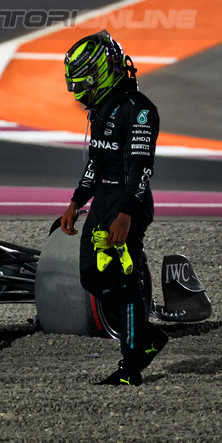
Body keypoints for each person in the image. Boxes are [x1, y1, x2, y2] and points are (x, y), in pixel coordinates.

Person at [59, 30, 167, 386]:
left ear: (100, 73)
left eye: (82, 84)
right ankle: (148, 339)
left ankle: (130, 366)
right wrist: (77, 201)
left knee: (124, 279)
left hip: (126, 202)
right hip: (104, 201)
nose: (78, 93)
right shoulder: (101, 111)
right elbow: (97, 164)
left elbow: (140, 168)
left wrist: (127, 213)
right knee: (92, 276)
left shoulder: (139, 112)